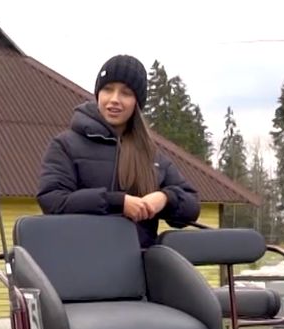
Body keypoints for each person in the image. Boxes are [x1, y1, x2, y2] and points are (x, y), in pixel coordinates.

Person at [36, 54, 200, 247]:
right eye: (107, 89)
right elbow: (52, 200)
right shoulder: (65, 145)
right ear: (98, 94)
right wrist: (118, 202)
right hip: (80, 263)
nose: (114, 99)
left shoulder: (151, 155)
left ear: (137, 103)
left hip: (139, 268)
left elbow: (191, 206)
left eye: (126, 93)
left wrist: (165, 198)